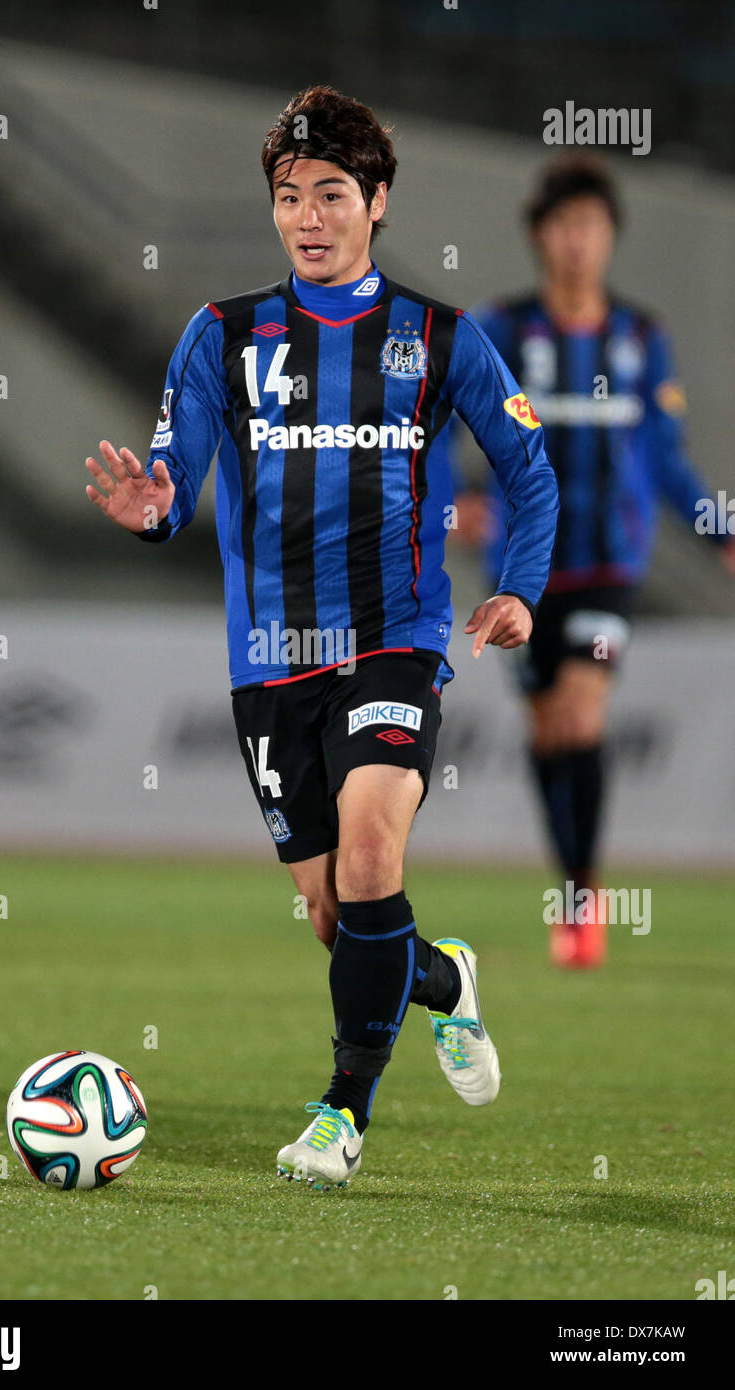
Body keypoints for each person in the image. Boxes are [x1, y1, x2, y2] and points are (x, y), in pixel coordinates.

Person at [85, 86, 558, 1189]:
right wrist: (151, 508)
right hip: (268, 660)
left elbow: (529, 474)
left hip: (394, 638)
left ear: (377, 202)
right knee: (337, 915)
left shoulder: (440, 339)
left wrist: (518, 591)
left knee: (370, 852)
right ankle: (440, 978)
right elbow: (173, 479)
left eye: (331, 194)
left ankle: (341, 1113)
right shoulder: (223, 335)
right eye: (288, 196)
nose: (307, 215)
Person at [450, 155, 735, 970]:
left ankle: (584, 897)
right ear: (540, 236)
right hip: (523, 568)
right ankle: (572, 886)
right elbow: (451, 425)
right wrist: (458, 499)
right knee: (547, 730)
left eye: (592, 227)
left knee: (581, 710)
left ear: (610, 238)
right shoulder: (501, 330)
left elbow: (670, 462)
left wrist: (721, 531)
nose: (578, 242)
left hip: (611, 559)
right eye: (563, 226)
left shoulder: (641, 339)